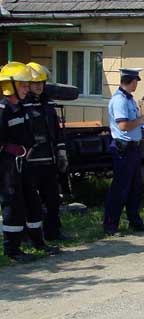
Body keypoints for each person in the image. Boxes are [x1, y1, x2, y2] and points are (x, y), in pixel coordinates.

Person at [0, 62, 60, 262]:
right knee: (13, 206)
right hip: (8, 166)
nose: (28, 88)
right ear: (11, 86)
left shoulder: (19, 107)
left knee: (33, 203)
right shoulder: (3, 109)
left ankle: (39, 242)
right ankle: (12, 250)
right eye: (24, 85)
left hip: (23, 163)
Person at [103, 68, 144, 236]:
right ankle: (110, 226)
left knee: (134, 189)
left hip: (133, 148)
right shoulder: (120, 101)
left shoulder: (129, 99)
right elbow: (123, 125)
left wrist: (141, 123)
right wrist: (140, 121)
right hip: (123, 149)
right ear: (131, 81)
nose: (137, 84)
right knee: (120, 189)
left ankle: (135, 222)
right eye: (136, 81)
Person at [24, 62, 69, 241]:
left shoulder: (47, 104)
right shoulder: (22, 105)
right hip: (30, 162)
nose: (39, 86)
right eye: (35, 83)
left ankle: (53, 232)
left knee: (52, 200)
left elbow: (56, 131)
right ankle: (30, 236)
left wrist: (61, 152)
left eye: (41, 82)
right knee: (31, 202)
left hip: (49, 161)